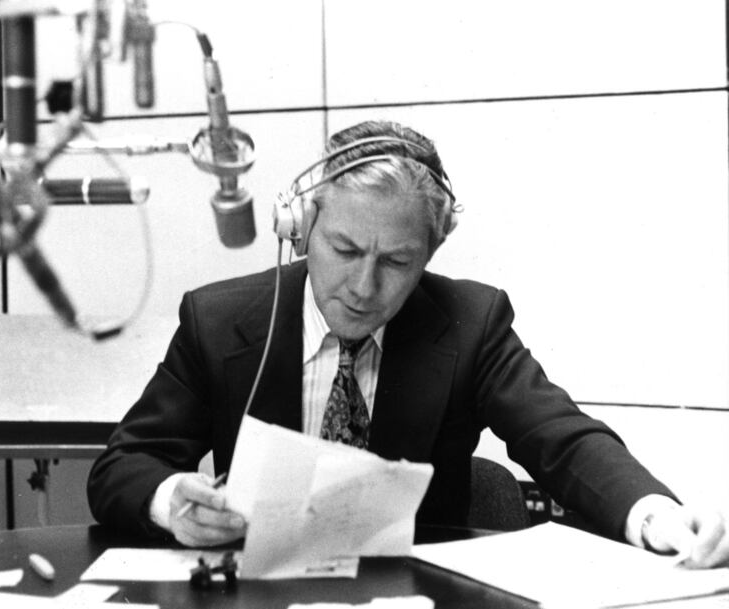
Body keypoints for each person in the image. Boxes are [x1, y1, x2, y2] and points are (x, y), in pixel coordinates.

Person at [87, 120, 728, 568]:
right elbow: (124, 466)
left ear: (433, 250)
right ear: (303, 225)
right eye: (342, 249)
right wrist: (171, 502)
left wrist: (655, 516)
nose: (364, 287)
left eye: (397, 261)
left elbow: (562, 437)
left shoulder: (471, 320)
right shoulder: (220, 318)